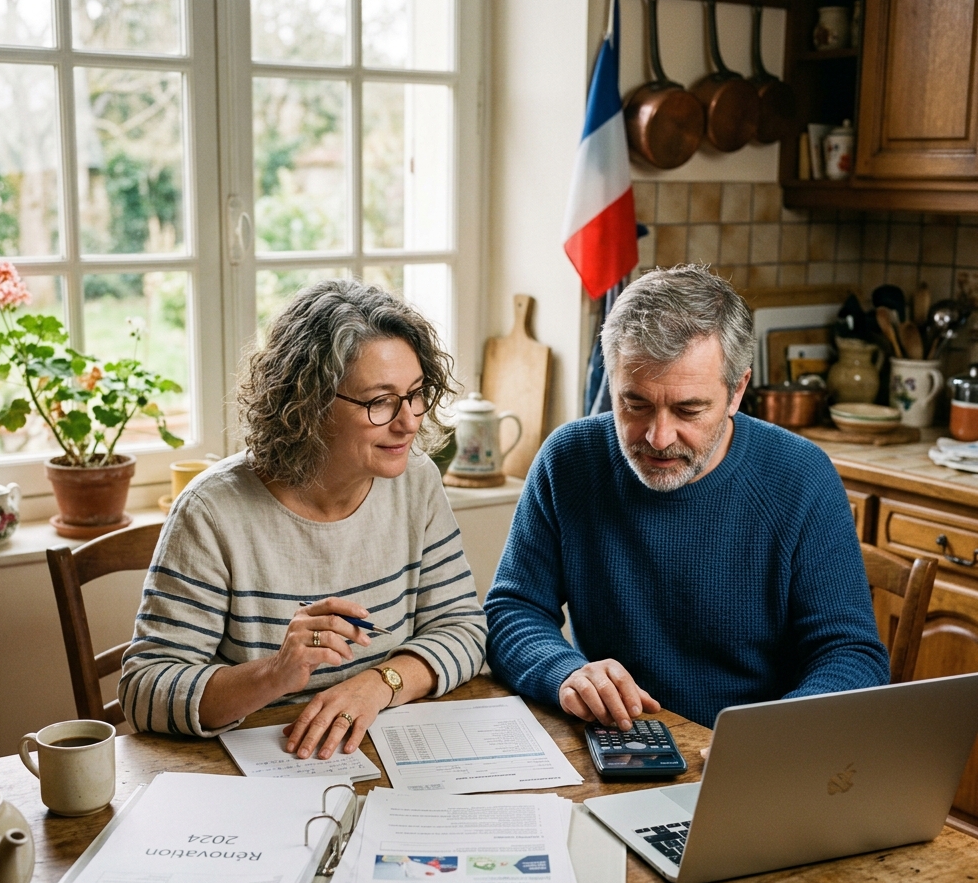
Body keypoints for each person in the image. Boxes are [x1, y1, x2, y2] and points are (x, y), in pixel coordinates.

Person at [485, 264, 888, 732]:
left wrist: (764, 737)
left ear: (737, 391)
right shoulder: (569, 459)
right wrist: (566, 672)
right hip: (619, 742)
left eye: (688, 409)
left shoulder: (800, 477)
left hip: (746, 756)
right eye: (634, 404)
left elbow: (852, 656)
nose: (658, 437)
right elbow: (513, 610)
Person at [119, 280, 486, 758]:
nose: (409, 421)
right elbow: (145, 691)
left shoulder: (416, 481)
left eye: (416, 394)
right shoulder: (213, 511)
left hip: (384, 752)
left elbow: (463, 629)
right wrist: (276, 673)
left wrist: (377, 685)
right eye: (380, 401)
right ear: (309, 405)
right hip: (259, 769)